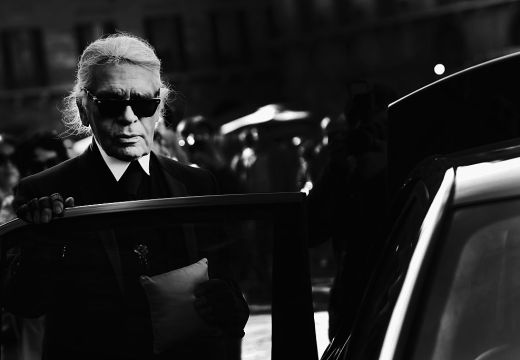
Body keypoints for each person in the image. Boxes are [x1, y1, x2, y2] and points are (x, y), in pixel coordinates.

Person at [3, 33, 248, 360]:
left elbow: (228, 284)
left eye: (144, 103)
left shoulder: (196, 183)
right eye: (112, 103)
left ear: (159, 107)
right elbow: (25, 303)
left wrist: (226, 303)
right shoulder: (43, 191)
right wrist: (48, 243)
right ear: (83, 108)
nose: (130, 117)